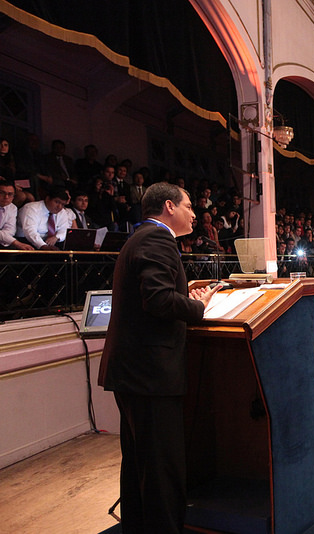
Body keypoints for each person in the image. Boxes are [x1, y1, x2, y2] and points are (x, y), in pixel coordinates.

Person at [97, 182, 219, 534]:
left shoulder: (140, 238)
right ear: (169, 206)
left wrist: (184, 291)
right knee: (163, 472)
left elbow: (155, 293)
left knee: (139, 466)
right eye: (189, 205)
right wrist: (197, 305)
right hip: (151, 374)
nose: (194, 213)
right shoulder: (157, 239)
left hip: (134, 373)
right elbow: (159, 300)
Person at [0, 181, 34, 250]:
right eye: (2, 193)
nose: (6, 197)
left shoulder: (12, 208)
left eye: (10, 194)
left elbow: (10, 230)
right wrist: (16, 243)